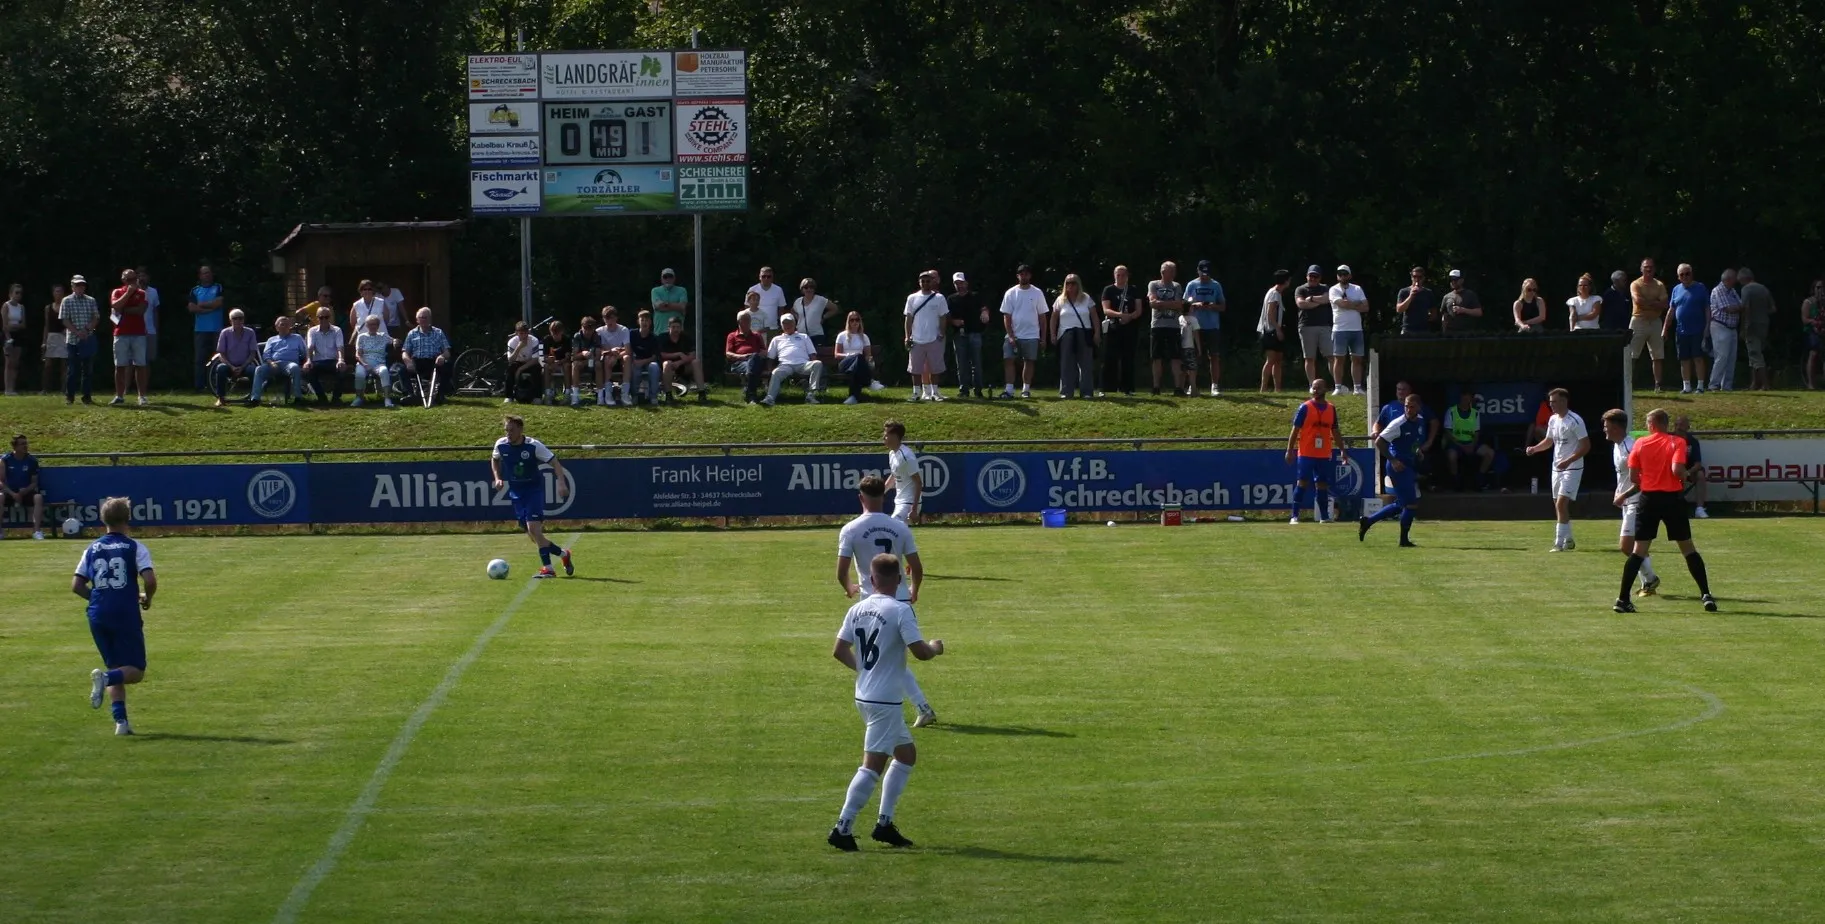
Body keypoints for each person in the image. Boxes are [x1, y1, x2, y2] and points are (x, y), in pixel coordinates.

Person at [827, 553, 945, 852]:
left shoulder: (857, 609)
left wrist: (866, 671)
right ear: (900, 579)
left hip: (864, 696)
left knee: (906, 755)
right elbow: (920, 652)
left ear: (872, 579)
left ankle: (884, 824)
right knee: (872, 766)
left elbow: (839, 650)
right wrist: (935, 648)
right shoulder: (900, 610)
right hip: (886, 702)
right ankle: (842, 827)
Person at [835, 475, 935, 726]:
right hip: (899, 599)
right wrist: (914, 589)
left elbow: (841, 571)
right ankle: (923, 707)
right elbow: (916, 567)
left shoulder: (851, 529)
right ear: (885, 495)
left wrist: (849, 587)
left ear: (860, 497)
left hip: (871, 602)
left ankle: (921, 706)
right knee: (893, 659)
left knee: (885, 660)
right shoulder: (899, 527)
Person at [1613, 409, 1716, 614]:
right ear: (1666, 424)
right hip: (1671, 499)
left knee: (1638, 551)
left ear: (1651, 425)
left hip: (1648, 499)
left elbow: (1633, 477)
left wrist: (1649, 479)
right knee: (1688, 548)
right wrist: (1685, 476)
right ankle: (1706, 594)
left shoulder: (1640, 443)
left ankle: (1622, 599)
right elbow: (1677, 470)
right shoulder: (1677, 442)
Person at [76, 496, 157, 736]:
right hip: (124, 612)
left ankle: (121, 722)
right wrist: (148, 598)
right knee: (135, 671)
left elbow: (76, 585)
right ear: (128, 518)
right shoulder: (134, 547)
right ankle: (105, 678)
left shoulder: (92, 548)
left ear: (103, 519)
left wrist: (99, 599)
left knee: (115, 665)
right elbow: (150, 580)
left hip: (98, 613)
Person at [490, 415, 573, 579]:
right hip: (516, 493)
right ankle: (563, 554)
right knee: (534, 536)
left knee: (534, 529)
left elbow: (555, 463)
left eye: (511, 430)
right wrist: (497, 478)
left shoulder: (533, 446)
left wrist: (561, 483)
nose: (508, 434)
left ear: (520, 430)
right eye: (506, 430)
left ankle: (548, 569)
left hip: (533, 491)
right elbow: (494, 459)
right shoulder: (501, 444)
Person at [1602, 409, 1662, 597]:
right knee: (1636, 546)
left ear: (1617, 427)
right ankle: (1648, 582)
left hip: (1638, 501)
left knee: (1626, 546)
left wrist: (1623, 495)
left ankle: (1650, 579)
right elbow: (1623, 476)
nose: (1604, 429)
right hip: (1627, 502)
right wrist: (1619, 492)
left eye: (1607, 426)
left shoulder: (1632, 447)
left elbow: (1643, 479)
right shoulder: (1617, 446)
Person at [1524, 387, 1590, 551]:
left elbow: (1586, 446)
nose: (1551, 405)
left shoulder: (1575, 420)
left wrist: (1568, 461)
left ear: (1563, 401)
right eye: (1550, 402)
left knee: (1561, 503)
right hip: (1557, 467)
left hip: (1572, 467)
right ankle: (1569, 539)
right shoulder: (1553, 419)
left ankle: (1558, 543)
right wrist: (1534, 448)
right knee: (1558, 505)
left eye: (1554, 402)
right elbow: (1548, 441)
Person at [1360, 391, 1425, 547]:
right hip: (1398, 467)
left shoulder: (1420, 421)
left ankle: (1368, 521)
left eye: (1412, 407)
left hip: (1409, 464)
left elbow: (1413, 440)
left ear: (1419, 407)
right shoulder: (1398, 423)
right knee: (1411, 504)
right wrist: (1393, 460)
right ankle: (1403, 540)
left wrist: (1417, 451)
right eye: (1406, 406)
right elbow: (1379, 442)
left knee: (1401, 504)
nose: (1408, 409)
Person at [1285, 378, 1342, 524]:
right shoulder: (1305, 407)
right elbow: (1295, 430)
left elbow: (1335, 431)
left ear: (1325, 389)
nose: (1315, 390)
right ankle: (1294, 516)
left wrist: (1343, 449)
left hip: (1323, 453)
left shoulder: (1331, 408)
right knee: (1302, 482)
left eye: (1318, 388)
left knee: (1322, 484)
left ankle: (1324, 516)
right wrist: (1289, 450)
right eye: (1313, 387)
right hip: (1306, 452)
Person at [999, 264, 1050, 399]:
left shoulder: (1037, 292)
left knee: (1029, 361)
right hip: (1013, 334)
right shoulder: (1011, 293)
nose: (1024, 276)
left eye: (1026, 274)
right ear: (1018, 276)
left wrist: (1043, 337)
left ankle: (1025, 389)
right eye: (1021, 274)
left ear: (1030, 275)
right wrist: (1011, 335)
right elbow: (1007, 316)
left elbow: (1042, 317)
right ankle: (1009, 390)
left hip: (1032, 334)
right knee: (1008, 360)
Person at [904, 270, 950, 402]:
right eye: (922, 281)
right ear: (919, 282)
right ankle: (916, 393)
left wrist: (941, 333)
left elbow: (943, 317)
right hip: (916, 339)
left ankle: (935, 392)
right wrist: (907, 336)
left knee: (935, 367)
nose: (925, 283)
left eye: (927, 281)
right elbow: (908, 318)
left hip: (934, 338)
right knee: (915, 368)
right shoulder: (912, 298)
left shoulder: (939, 298)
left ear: (932, 282)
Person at [108, 268, 151, 406]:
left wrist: (123, 309)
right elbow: (115, 305)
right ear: (123, 280)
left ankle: (142, 396)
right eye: (128, 279)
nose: (131, 282)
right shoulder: (117, 292)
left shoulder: (142, 293)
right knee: (120, 365)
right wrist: (128, 294)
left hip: (138, 333)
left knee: (140, 365)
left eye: (133, 279)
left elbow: (140, 310)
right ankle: (119, 396)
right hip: (121, 333)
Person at [1053, 273, 1100, 399]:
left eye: (1073, 283)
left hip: (1084, 332)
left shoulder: (1086, 298)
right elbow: (1054, 318)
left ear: (1078, 284)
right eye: (1068, 283)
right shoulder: (1060, 300)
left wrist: (1097, 333)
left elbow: (1094, 317)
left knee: (1086, 364)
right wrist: (1052, 334)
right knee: (1066, 363)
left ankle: (1086, 392)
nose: (1070, 285)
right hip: (1066, 333)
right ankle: (1066, 391)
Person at [1101, 265, 1145, 397]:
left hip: (1130, 327)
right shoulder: (1108, 290)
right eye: (1118, 275)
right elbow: (1106, 309)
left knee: (1128, 357)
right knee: (1109, 357)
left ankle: (1127, 388)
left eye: (1123, 275)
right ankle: (1106, 387)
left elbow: (1139, 309)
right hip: (1113, 326)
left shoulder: (1133, 290)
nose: (1120, 277)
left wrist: (1129, 317)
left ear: (1127, 276)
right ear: (1114, 275)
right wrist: (1120, 315)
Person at [1184, 260, 1226, 396]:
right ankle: (1192, 385)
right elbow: (1184, 305)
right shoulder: (1191, 285)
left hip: (1212, 326)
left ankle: (1215, 385)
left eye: (1207, 274)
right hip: (1195, 326)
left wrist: (1213, 306)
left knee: (1214, 355)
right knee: (1194, 356)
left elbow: (1223, 306)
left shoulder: (1216, 285)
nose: (1204, 276)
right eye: (1202, 273)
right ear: (1198, 271)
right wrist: (1195, 305)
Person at [1666, 263, 1709, 393]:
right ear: (1678, 277)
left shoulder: (1700, 287)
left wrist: (1707, 326)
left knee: (1698, 357)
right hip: (1681, 330)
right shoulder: (1676, 289)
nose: (1685, 276)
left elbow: (1707, 308)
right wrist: (1665, 328)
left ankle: (1700, 386)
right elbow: (1671, 309)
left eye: (1687, 274)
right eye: (1682, 274)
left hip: (1697, 329)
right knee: (1684, 359)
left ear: (1692, 274)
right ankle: (1687, 386)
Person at [764, 312, 823, 405]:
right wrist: (769, 369)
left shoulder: (804, 336)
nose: (787, 325)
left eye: (789, 323)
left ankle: (811, 395)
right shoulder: (776, 339)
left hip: (803, 364)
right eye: (785, 323)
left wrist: (813, 362)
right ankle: (770, 398)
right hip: (785, 365)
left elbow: (812, 353)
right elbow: (770, 357)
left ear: (794, 324)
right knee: (775, 372)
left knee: (817, 363)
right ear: (781, 325)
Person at [59, 275, 101, 405]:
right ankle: (70, 396)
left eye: (82, 285)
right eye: (77, 285)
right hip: (72, 340)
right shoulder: (66, 300)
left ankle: (86, 396)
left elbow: (96, 317)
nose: (80, 287)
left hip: (87, 339)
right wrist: (77, 332)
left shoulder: (91, 300)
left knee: (87, 370)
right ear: (72, 286)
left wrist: (87, 330)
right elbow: (65, 319)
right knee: (72, 370)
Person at [1442, 389, 1496, 491]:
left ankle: (1479, 479)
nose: (1465, 401)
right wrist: (1460, 445)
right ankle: (1456, 481)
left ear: (1471, 400)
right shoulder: (1451, 411)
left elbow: (1476, 433)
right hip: (1456, 444)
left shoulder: (1475, 413)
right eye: (1463, 399)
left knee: (1490, 453)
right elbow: (1448, 432)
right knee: (1451, 456)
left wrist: (1472, 445)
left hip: (1471, 443)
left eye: (1468, 399)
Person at [1630, 258, 1671, 392]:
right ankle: (1628, 383)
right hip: (1638, 320)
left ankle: (1658, 385)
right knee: (1632, 355)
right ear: (1641, 269)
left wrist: (1648, 303)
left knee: (1658, 355)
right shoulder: (1635, 284)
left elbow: (1665, 304)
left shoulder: (1659, 285)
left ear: (1654, 269)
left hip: (1655, 321)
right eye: (1646, 267)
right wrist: (1655, 303)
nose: (1648, 269)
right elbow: (1638, 301)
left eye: (1651, 267)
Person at [1327, 265, 1369, 394]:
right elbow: (1341, 304)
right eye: (1340, 274)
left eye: (1345, 274)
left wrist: (1348, 304)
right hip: (1339, 329)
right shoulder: (1333, 289)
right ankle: (1338, 387)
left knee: (1357, 359)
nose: (1342, 276)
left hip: (1356, 329)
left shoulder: (1357, 289)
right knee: (1339, 359)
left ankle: (1357, 388)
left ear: (1349, 275)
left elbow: (1366, 307)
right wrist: (1356, 303)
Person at [249, 315, 307, 405]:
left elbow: (304, 352)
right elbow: (266, 355)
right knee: (259, 369)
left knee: (295, 368)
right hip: (273, 364)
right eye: (282, 324)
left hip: (290, 364)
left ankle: (298, 398)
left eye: (287, 324)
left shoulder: (297, 338)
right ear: (277, 327)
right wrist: (271, 363)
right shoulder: (271, 340)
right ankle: (255, 399)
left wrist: (304, 362)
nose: (286, 326)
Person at [1149, 261, 1187, 396]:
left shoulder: (1176, 286)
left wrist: (1161, 304)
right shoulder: (1153, 284)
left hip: (1173, 326)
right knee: (1156, 357)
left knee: (1175, 357)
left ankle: (1178, 388)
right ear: (1163, 272)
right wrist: (1170, 304)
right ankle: (1156, 387)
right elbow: (1152, 303)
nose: (1173, 274)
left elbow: (1179, 305)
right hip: (1157, 325)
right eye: (1171, 271)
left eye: (1174, 271)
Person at [947, 272, 989, 398]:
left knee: (977, 363)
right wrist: (953, 321)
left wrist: (985, 313)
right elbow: (946, 316)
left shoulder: (975, 296)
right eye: (956, 283)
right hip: (959, 335)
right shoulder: (951, 299)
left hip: (975, 333)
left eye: (961, 283)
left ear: (966, 283)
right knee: (961, 364)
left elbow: (984, 308)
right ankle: (964, 390)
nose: (959, 285)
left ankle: (978, 390)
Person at [207, 308, 259, 407]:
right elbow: (221, 353)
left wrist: (242, 367)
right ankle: (221, 398)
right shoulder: (225, 333)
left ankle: (254, 398)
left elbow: (252, 353)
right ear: (230, 321)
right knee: (220, 368)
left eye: (240, 318)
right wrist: (231, 366)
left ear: (243, 320)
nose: (238, 321)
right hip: (229, 365)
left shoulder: (250, 332)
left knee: (254, 370)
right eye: (235, 318)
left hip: (245, 365)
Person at [401, 307, 451, 405]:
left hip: (434, 361)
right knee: (402, 370)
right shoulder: (412, 333)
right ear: (417, 320)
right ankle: (411, 395)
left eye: (426, 317)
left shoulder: (438, 332)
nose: (423, 319)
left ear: (430, 319)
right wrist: (408, 362)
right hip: (417, 361)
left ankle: (440, 395)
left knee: (447, 367)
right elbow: (405, 352)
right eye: (421, 317)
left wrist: (442, 356)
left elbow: (447, 352)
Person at [187, 265, 225, 391]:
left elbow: (218, 303)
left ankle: (216, 385)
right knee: (199, 359)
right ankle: (199, 386)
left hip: (217, 329)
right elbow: (192, 308)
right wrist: (210, 308)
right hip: (200, 330)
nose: (207, 275)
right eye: (204, 273)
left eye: (208, 272)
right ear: (200, 276)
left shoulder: (218, 287)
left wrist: (202, 305)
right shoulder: (195, 290)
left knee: (218, 358)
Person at [1737, 268, 1775, 391]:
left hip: (1752, 325)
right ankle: (1754, 384)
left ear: (1743, 278)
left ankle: (1765, 384)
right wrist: (1762, 313)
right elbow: (1773, 309)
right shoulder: (1763, 288)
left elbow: (1745, 309)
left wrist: (1744, 327)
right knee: (1755, 354)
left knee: (1755, 355)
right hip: (1764, 325)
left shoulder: (1746, 289)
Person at [1294, 265, 1334, 384]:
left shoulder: (1325, 288)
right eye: (1311, 276)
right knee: (1309, 358)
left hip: (1324, 326)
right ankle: (1312, 385)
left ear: (1320, 278)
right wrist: (1319, 302)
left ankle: (1337, 384)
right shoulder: (1300, 289)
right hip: (1306, 326)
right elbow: (1301, 304)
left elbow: (1327, 299)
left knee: (1331, 356)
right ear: (1307, 276)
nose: (1313, 279)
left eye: (1316, 276)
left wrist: (1311, 299)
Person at [2, 433, 45, 539]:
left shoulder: (32, 461)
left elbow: (34, 482)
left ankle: (36, 531)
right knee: (0, 496)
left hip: (25, 492)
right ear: (15, 446)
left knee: (38, 497)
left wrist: (24, 491)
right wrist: (13, 494)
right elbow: (1, 481)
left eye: (26, 443)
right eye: (22, 444)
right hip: (9, 492)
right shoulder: (5, 460)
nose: (25, 446)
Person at [303, 306, 347, 405]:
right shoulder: (312, 331)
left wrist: (341, 359)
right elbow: (310, 347)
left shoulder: (337, 330)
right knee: (308, 372)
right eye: (321, 317)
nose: (324, 320)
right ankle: (321, 397)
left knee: (342, 370)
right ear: (317, 318)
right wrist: (309, 360)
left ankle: (336, 398)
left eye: (326, 317)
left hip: (333, 361)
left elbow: (340, 347)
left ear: (330, 317)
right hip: (318, 361)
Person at [1706, 268, 1742, 392]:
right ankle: (1713, 384)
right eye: (1734, 278)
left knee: (1731, 357)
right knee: (1722, 356)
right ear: (1728, 279)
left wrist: (1738, 307)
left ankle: (1727, 386)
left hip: (1732, 328)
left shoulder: (1732, 291)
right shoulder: (1718, 290)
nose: (1736, 281)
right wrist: (1739, 307)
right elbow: (1727, 308)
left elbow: (1739, 304)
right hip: (1720, 326)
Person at [350, 313, 395, 408]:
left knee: (384, 371)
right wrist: (364, 364)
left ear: (378, 325)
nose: (373, 326)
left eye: (375, 324)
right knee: (359, 374)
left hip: (379, 363)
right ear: (366, 325)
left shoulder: (383, 336)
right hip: (364, 363)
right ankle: (359, 398)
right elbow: (358, 354)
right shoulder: (361, 337)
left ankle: (387, 399)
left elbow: (395, 340)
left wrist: (395, 342)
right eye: (370, 324)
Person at [882, 420, 922, 523]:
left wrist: (914, 509)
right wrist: (881, 493)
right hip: (899, 501)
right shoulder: (892, 453)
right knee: (898, 531)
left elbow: (918, 482)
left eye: (886, 434)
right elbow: (894, 475)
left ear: (895, 436)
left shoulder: (906, 456)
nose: (884, 437)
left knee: (892, 526)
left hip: (909, 503)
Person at [725, 310, 768, 405]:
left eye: (748, 319)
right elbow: (728, 353)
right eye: (744, 319)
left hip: (755, 361)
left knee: (753, 359)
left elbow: (764, 351)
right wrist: (743, 356)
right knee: (752, 365)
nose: (747, 322)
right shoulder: (732, 336)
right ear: (739, 322)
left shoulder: (757, 335)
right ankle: (752, 394)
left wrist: (757, 355)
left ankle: (751, 394)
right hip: (739, 363)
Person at [1258, 270, 1291, 392]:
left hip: (1274, 330)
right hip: (1270, 331)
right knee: (1271, 360)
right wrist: (1278, 329)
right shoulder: (1274, 294)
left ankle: (1278, 388)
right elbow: (1270, 314)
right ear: (1285, 280)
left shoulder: (1276, 293)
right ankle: (1263, 388)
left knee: (1278, 360)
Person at [658, 316, 704, 402]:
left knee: (696, 362)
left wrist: (679, 362)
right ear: (669, 328)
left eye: (678, 327)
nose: (676, 329)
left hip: (683, 366)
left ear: (681, 328)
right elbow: (661, 354)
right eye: (673, 327)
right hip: (667, 368)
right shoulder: (662, 337)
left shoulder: (686, 338)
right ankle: (668, 395)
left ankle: (702, 393)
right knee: (667, 364)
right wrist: (678, 354)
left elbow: (692, 355)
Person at [624, 310, 663, 405]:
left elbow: (655, 357)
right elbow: (628, 349)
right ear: (638, 321)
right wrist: (634, 360)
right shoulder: (632, 334)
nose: (644, 322)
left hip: (648, 362)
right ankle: (634, 396)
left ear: (650, 322)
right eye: (642, 320)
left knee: (654, 367)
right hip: (634, 361)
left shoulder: (654, 337)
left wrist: (643, 362)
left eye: (647, 320)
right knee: (635, 369)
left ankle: (653, 397)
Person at [834, 311, 874, 404]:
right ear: (848, 322)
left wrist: (870, 361)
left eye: (857, 320)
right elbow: (836, 354)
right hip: (845, 363)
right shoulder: (842, 336)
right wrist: (850, 355)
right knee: (858, 356)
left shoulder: (864, 337)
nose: (854, 322)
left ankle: (853, 398)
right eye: (852, 320)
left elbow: (868, 355)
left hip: (857, 365)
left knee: (856, 367)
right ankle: (869, 382)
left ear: (860, 321)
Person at [1674, 414, 1709, 518]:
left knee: (1700, 475)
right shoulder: (1669, 439)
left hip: (1689, 472)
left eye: (1681, 425)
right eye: (1676, 424)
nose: (1678, 427)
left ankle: (1699, 509)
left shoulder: (1693, 442)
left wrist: (1687, 472)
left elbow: (1698, 464)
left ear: (1688, 427)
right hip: (1672, 470)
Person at [595, 306, 631, 405]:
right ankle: (608, 394)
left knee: (627, 358)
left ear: (616, 318)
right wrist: (611, 352)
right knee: (607, 358)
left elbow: (628, 350)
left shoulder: (624, 330)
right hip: (607, 357)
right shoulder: (599, 331)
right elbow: (601, 350)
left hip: (620, 356)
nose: (609, 321)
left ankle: (625, 394)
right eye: (606, 318)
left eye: (611, 318)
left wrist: (616, 357)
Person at [793, 277, 836, 353]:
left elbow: (834, 308)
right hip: (801, 335)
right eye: (806, 287)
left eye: (811, 287)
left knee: (816, 355)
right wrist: (798, 319)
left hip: (816, 335)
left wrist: (824, 317)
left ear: (814, 289)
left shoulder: (820, 300)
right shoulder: (798, 301)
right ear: (802, 289)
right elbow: (793, 311)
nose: (809, 289)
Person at [504, 320, 542, 404]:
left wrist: (520, 369)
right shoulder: (512, 342)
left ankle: (537, 397)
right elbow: (510, 360)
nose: (524, 336)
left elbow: (535, 360)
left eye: (525, 333)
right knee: (510, 369)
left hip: (530, 362)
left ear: (528, 332)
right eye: (521, 333)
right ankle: (509, 396)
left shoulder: (534, 340)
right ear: (516, 333)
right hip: (517, 362)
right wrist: (518, 347)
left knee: (537, 369)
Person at [566, 315, 600, 407]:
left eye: (590, 329)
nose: (587, 332)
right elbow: (574, 357)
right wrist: (583, 353)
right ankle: (575, 396)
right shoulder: (577, 336)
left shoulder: (596, 336)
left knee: (598, 364)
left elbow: (598, 356)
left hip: (592, 363)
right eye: (585, 328)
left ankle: (601, 397)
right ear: (581, 327)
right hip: (580, 363)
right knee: (575, 365)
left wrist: (589, 360)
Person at [1395, 266, 1438, 336]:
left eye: (1420, 277)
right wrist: (1410, 296)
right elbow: (1399, 309)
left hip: (1424, 330)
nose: (1417, 279)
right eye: (1414, 276)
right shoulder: (1404, 291)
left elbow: (1434, 313)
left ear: (1423, 278)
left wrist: (1425, 318)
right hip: (1408, 329)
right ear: (1411, 277)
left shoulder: (1428, 293)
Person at [41, 283, 67, 395]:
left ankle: (64, 389)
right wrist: (44, 341)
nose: (59, 294)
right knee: (48, 365)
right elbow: (46, 325)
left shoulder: (66, 307)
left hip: (64, 337)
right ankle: (45, 389)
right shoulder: (48, 308)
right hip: (51, 336)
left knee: (64, 364)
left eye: (60, 291)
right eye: (57, 291)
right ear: (53, 293)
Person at [1439, 269, 1483, 333]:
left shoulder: (1470, 294)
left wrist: (1463, 310)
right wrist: (1444, 331)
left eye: (1455, 280)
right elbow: (1444, 316)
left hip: (1466, 333)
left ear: (1462, 280)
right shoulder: (1446, 297)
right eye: (1451, 280)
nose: (1453, 282)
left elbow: (1479, 312)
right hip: (1450, 332)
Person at [747, 266, 788, 335]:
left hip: (773, 328)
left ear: (772, 278)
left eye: (769, 276)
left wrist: (780, 324)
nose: (766, 278)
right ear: (759, 277)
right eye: (763, 276)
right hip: (755, 329)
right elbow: (747, 308)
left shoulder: (778, 290)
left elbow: (781, 309)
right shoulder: (752, 289)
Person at [651, 268, 689, 336]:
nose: (668, 279)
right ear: (661, 279)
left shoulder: (682, 290)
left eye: (670, 276)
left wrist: (665, 305)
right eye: (665, 277)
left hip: (678, 332)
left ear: (674, 278)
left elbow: (682, 306)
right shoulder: (655, 291)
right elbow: (658, 306)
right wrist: (677, 306)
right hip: (659, 332)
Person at [540, 319, 570, 405]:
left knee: (567, 366)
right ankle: (548, 394)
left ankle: (567, 394)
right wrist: (549, 360)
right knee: (546, 367)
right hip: (551, 363)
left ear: (562, 331)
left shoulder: (566, 339)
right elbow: (545, 357)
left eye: (557, 333)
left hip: (563, 362)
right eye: (553, 333)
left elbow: (568, 357)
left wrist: (559, 362)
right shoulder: (547, 339)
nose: (555, 336)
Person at [1805, 280, 1825, 390]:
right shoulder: (1808, 302)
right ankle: (1811, 383)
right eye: (1818, 287)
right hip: (1812, 331)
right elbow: (1805, 319)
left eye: (1822, 287)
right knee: (1813, 354)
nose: (1820, 290)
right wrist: (1815, 323)